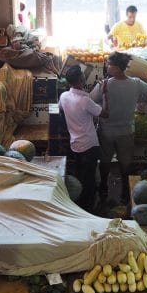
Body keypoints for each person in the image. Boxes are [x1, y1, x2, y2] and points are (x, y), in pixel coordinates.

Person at [89, 52, 147, 202]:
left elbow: (91, 100)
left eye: (109, 64)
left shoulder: (105, 84)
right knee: (125, 163)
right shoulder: (136, 83)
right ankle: (125, 191)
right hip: (127, 131)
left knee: (105, 161)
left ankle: (104, 188)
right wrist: (139, 102)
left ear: (117, 68)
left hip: (107, 131)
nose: (107, 66)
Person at [58, 65, 109, 211]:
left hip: (75, 145)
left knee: (82, 175)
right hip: (89, 145)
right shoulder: (85, 101)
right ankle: (89, 208)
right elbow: (105, 114)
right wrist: (104, 93)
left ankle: (80, 204)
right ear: (82, 79)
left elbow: (60, 109)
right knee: (90, 180)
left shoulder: (64, 96)